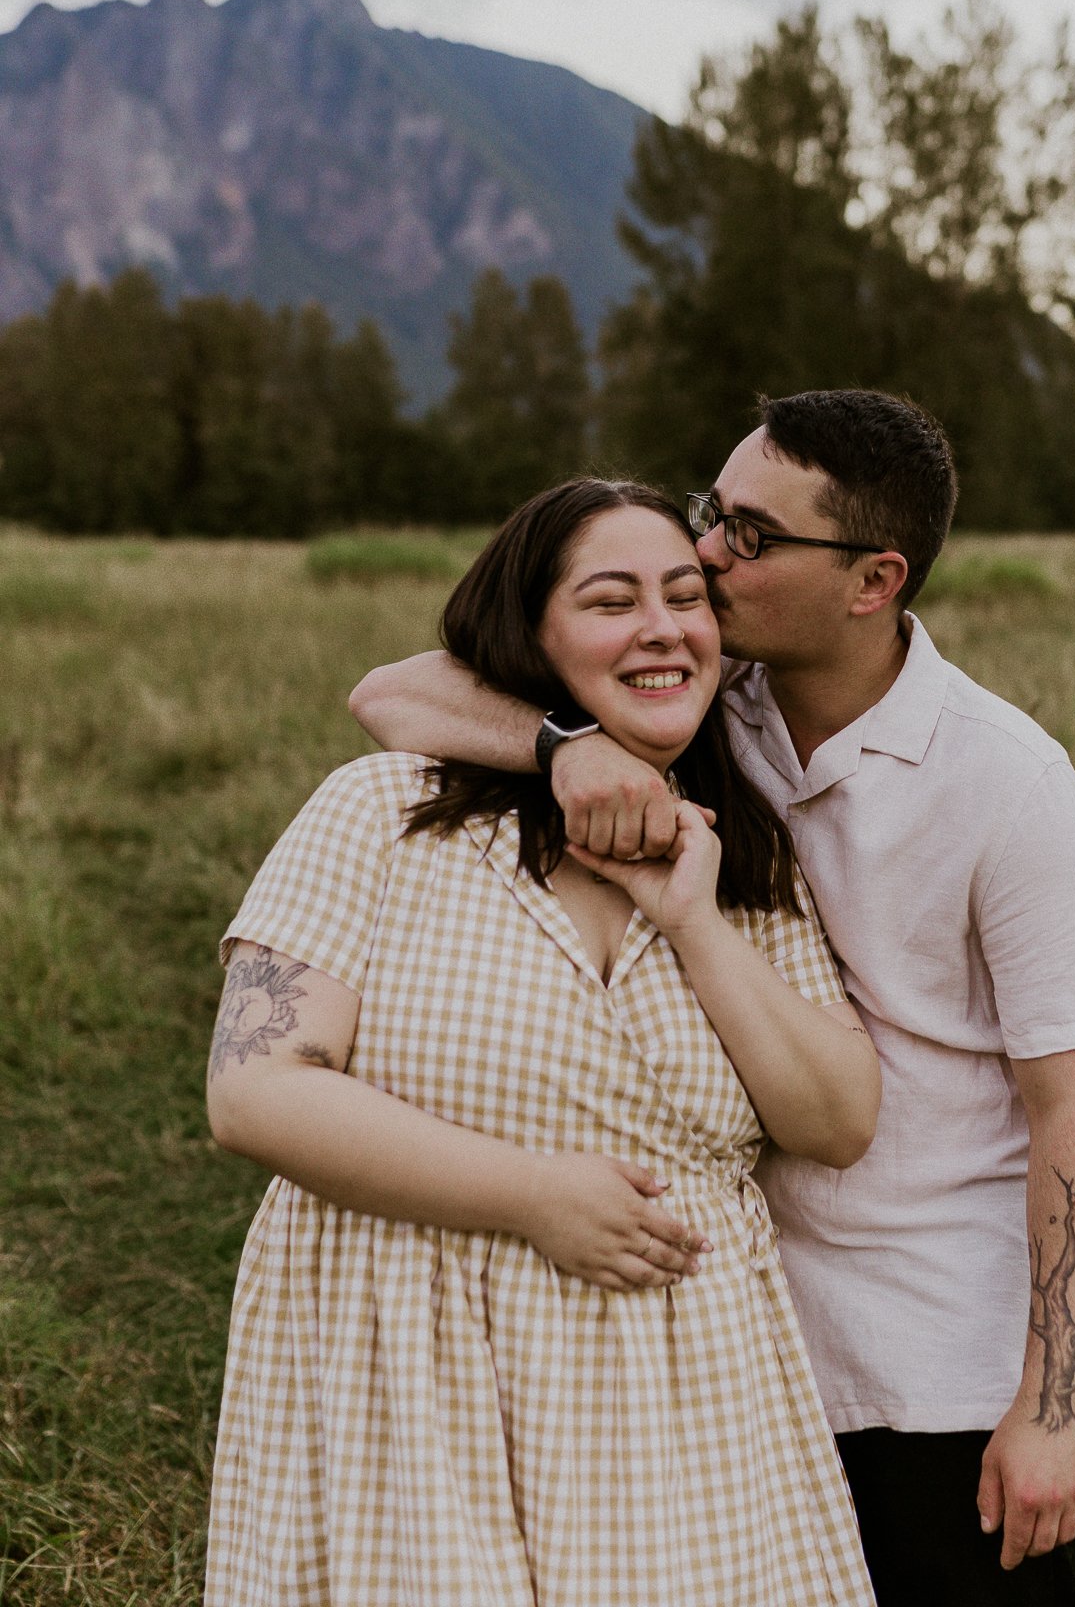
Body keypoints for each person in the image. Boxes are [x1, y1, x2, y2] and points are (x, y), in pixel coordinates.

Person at [352, 389, 1075, 1607]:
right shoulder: (715, 704)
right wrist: (569, 743)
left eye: (751, 536)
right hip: (745, 1363)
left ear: (874, 579)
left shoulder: (1010, 782)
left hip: (949, 1391)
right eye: (709, 510)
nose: (706, 554)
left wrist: (1050, 1412)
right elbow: (393, 692)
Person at [205, 478, 881, 1607]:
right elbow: (255, 1088)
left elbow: (837, 1119)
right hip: (411, 1375)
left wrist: (695, 923)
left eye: (685, 595)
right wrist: (531, 1193)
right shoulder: (384, 810)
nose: (663, 626)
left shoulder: (744, 853)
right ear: (533, 636)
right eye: (611, 600)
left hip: (681, 1408)